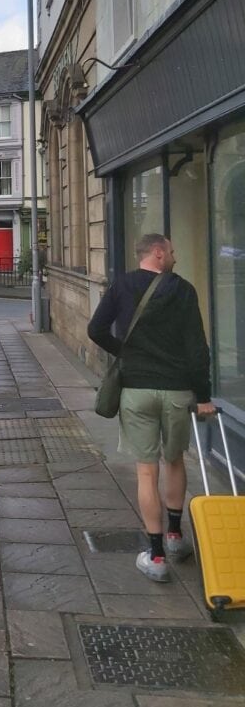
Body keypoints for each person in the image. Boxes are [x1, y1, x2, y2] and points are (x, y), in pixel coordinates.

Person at [87, 233, 216, 582]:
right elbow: (197, 348)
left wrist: (125, 352)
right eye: (172, 251)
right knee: (174, 460)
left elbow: (95, 329)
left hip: (136, 391)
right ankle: (175, 536)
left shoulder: (122, 285)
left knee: (147, 471)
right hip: (177, 391)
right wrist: (203, 396)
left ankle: (155, 556)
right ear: (158, 253)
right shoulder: (183, 290)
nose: (175, 256)